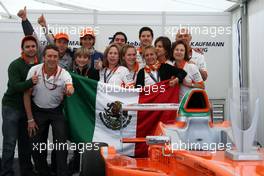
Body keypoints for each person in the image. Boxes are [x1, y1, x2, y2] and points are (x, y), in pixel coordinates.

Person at [23, 45, 74, 176]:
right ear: (43, 57)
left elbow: (70, 86)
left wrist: (69, 91)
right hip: (38, 110)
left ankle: (62, 172)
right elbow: (26, 94)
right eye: (49, 56)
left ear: (58, 58)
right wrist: (30, 119)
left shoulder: (64, 73)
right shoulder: (34, 70)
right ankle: (43, 172)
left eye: (55, 56)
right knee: (36, 145)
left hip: (56, 111)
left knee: (61, 144)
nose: (52, 59)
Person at [1, 35, 39, 176]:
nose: (30, 49)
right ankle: (6, 172)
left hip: (28, 110)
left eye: (33, 46)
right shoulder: (15, 65)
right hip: (11, 107)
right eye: (27, 46)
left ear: (36, 48)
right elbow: (16, 87)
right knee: (10, 143)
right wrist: (31, 82)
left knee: (25, 143)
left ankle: (26, 171)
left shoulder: (39, 64)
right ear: (22, 49)